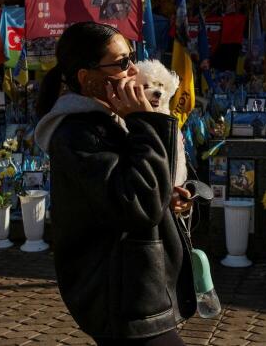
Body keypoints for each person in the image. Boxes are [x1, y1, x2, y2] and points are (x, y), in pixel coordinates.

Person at [34, 22, 196, 345]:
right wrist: (145, 122)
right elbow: (136, 203)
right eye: (122, 63)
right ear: (87, 78)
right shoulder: (77, 135)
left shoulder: (113, 120)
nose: (133, 69)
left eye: (132, 58)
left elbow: (146, 189)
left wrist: (174, 197)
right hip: (121, 297)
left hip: (142, 290)